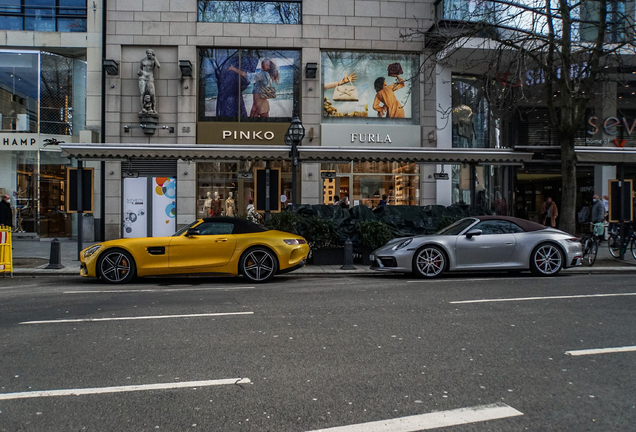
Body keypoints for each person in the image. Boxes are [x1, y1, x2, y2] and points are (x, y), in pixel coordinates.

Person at [137, 49, 161, 115]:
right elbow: (139, 70)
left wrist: (155, 58)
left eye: (150, 53)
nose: (149, 54)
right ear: (146, 53)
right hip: (143, 77)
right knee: (142, 93)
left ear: (152, 54)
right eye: (148, 53)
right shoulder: (143, 61)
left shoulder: (153, 61)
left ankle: (153, 109)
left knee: (152, 94)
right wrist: (139, 72)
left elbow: (158, 66)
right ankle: (143, 108)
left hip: (150, 77)